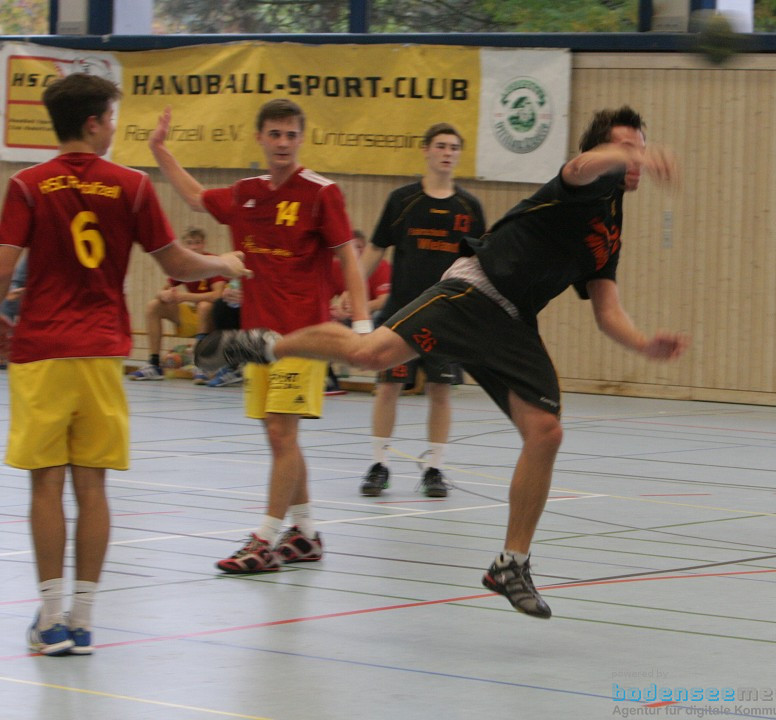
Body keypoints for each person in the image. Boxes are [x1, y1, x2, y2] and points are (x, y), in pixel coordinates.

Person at [196, 106, 687, 618]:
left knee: (546, 431)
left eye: (642, 146)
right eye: (626, 147)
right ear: (603, 153)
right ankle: (266, 344)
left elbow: (607, 310)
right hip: (473, 291)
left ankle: (511, 564)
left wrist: (643, 344)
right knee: (370, 354)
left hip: (513, 322)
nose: (637, 158)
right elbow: (585, 166)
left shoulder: (610, 226)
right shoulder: (581, 181)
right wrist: (626, 155)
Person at [0, 73, 247, 656]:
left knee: (46, 486)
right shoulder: (132, 186)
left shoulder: (27, 186)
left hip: (41, 351)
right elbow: (180, 263)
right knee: (93, 485)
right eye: (111, 118)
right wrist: (228, 262)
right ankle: (84, 621)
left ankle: (51, 619)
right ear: (93, 123)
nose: (114, 128)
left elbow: (3, 263)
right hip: (102, 351)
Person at [150, 99, 370, 574]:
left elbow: (347, 256)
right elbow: (194, 198)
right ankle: (306, 533)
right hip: (258, 338)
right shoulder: (246, 194)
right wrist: (161, 152)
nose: (284, 143)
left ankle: (265, 539)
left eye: (291, 135)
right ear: (261, 139)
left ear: (301, 139)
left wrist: (363, 323)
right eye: (275, 134)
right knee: (279, 438)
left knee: (280, 429)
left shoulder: (320, 192)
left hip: (305, 336)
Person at [358, 123, 486, 498]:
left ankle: (434, 468)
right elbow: (376, 248)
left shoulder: (469, 207)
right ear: (426, 151)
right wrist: (349, 291)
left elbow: (479, 262)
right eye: (441, 146)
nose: (447, 152)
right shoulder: (402, 201)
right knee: (388, 387)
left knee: (440, 391)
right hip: (400, 313)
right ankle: (379, 463)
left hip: (447, 314)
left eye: (454, 147)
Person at [129, 227, 226, 383]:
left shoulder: (213, 262)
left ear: (203, 244)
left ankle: (202, 363)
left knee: (204, 306)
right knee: (154, 305)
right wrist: (164, 295)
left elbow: (217, 295)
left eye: (197, 243)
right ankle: (154, 364)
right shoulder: (185, 265)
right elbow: (163, 290)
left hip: (216, 319)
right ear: (184, 246)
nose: (194, 247)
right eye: (189, 243)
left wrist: (184, 296)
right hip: (195, 314)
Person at [325, 229, 390, 395]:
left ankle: (386, 379)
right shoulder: (334, 267)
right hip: (349, 318)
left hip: (374, 317)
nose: (357, 251)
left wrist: (359, 309)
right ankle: (327, 378)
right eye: (352, 247)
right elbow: (323, 298)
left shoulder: (380, 266)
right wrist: (334, 311)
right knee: (323, 322)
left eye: (360, 247)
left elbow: (384, 301)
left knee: (382, 319)